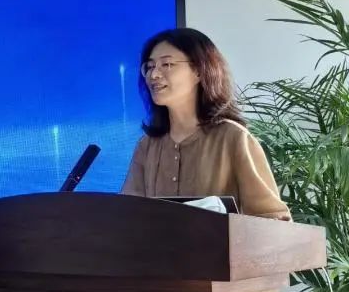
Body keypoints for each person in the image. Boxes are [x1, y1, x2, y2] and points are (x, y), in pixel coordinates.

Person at [121, 28, 291, 221]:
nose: (154, 75)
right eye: (150, 66)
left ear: (199, 71)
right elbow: (127, 217)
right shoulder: (146, 146)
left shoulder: (233, 137)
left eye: (166, 64)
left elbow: (274, 219)